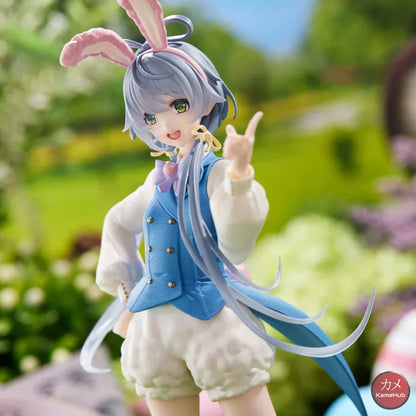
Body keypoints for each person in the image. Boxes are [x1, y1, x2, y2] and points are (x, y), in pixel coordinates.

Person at [60, 1, 374, 415]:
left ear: (206, 99)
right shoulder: (156, 180)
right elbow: (118, 221)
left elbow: (236, 243)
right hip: (155, 324)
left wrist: (239, 175)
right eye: (150, 117)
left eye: (178, 106)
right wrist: (125, 282)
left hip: (211, 316)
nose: (166, 125)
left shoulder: (215, 174)